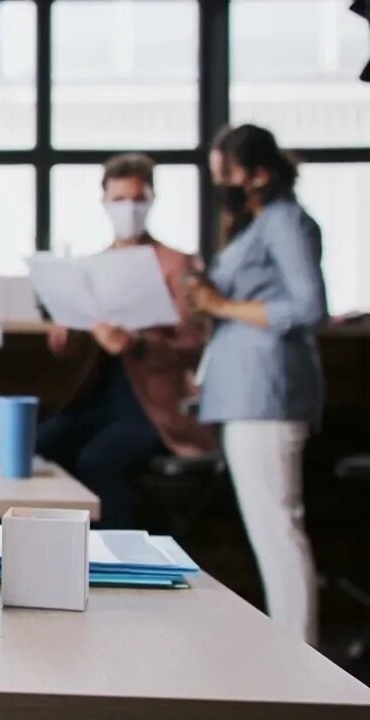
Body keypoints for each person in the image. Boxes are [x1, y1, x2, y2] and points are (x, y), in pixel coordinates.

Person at [187, 124, 326, 645]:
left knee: (278, 531)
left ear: (259, 174)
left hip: (268, 396)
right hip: (245, 395)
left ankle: (301, 654)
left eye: (226, 172)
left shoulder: (286, 222)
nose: (219, 183)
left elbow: (310, 306)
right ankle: (294, 648)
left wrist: (222, 305)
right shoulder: (256, 225)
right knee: (269, 530)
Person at [36, 153, 216, 529]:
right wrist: (66, 328)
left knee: (98, 461)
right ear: (104, 203)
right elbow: (69, 348)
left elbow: (195, 341)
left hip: (152, 406)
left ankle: (114, 561)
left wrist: (136, 343)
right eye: (119, 200)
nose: (128, 209)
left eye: (137, 199)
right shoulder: (92, 265)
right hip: (101, 397)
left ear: (151, 200)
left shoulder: (176, 263)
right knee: (37, 449)